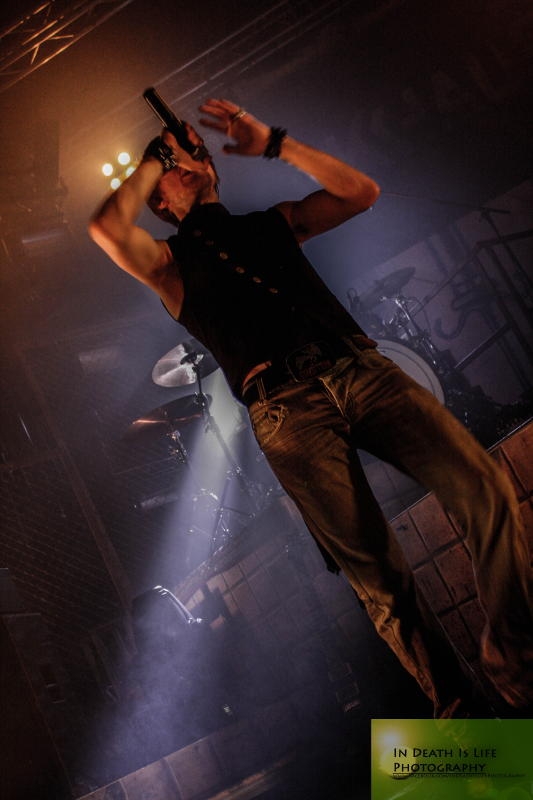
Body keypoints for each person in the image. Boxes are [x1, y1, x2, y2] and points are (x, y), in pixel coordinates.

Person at [89, 97, 533, 718]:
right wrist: (153, 160)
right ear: (159, 201)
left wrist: (275, 143)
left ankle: (514, 659)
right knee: (382, 583)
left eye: (195, 154)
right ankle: (465, 718)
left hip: (359, 369)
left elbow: (361, 191)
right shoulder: (168, 265)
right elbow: (106, 229)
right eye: (174, 163)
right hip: (286, 413)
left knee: (485, 487)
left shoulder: (270, 223)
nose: (191, 160)